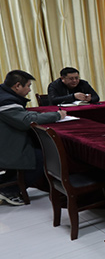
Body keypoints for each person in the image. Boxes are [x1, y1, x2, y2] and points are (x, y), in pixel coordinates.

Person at [0, 70, 65, 205]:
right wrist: (57, 115)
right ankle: (9, 190)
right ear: (17, 86)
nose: (29, 90)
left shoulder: (3, 94)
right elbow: (25, 121)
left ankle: (5, 184)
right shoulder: (5, 100)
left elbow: (20, 114)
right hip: (4, 145)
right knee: (43, 157)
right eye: (28, 86)